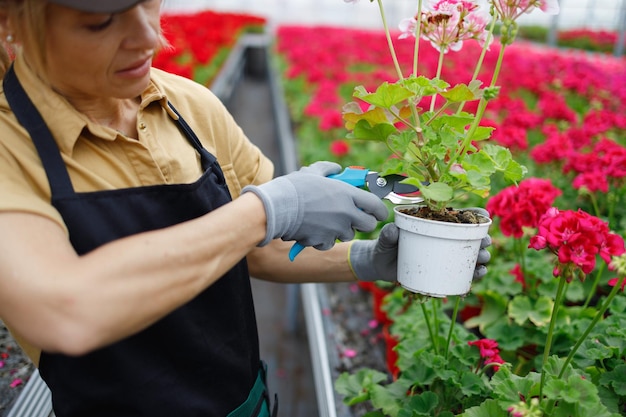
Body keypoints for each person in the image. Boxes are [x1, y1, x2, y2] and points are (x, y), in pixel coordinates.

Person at [0, 1, 490, 416]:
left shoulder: (187, 105)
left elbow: (257, 250)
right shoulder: (9, 145)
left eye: (149, 2)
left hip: (241, 403)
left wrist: (365, 260)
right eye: (100, 22)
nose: (147, 37)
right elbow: (65, 309)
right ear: (14, 21)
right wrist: (268, 209)